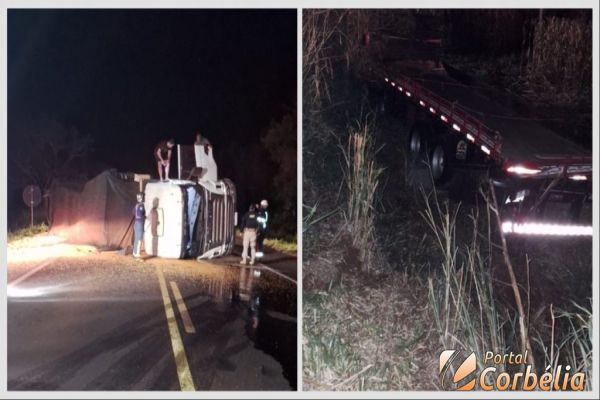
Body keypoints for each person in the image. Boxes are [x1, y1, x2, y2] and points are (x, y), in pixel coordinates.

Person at [132, 192, 146, 258]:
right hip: (140, 223)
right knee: (139, 238)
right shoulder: (141, 205)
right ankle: (137, 254)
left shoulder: (136, 205)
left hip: (136, 223)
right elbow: (140, 215)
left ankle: (135, 253)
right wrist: (145, 217)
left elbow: (133, 212)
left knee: (136, 238)